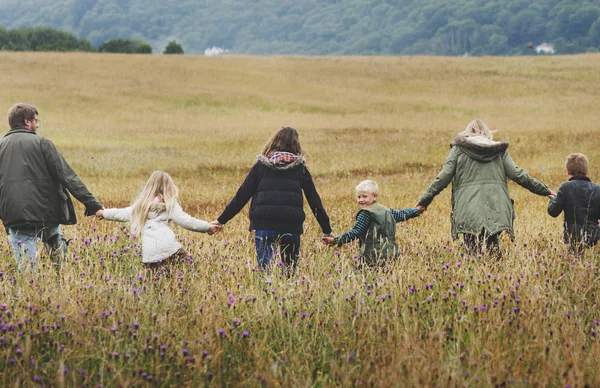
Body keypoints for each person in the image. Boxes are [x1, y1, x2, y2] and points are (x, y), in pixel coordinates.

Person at [417, 119, 555, 257]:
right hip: (495, 206)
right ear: (488, 133)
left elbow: (443, 177)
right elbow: (518, 175)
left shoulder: (458, 149)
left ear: (467, 133)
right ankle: (496, 274)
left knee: (470, 250)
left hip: (468, 207)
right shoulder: (499, 151)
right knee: (493, 247)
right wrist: (545, 190)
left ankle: (474, 276)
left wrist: (424, 201)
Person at [0, 103, 103, 270]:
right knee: (56, 245)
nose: (37, 124)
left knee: (26, 269)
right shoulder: (42, 143)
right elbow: (68, 177)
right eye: (36, 120)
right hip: (46, 213)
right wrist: (93, 204)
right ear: (27, 122)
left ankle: (30, 293)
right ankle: (62, 280)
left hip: (14, 215)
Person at [214, 126, 332, 271]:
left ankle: (266, 293)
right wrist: (327, 229)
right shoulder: (300, 169)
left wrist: (221, 221)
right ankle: (288, 292)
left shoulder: (260, 167)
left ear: (273, 142)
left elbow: (241, 196)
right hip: (291, 226)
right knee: (289, 274)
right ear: (296, 144)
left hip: (264, 225)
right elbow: (315, 201)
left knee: (265, 273)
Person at [96, 171, 220, 271]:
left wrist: (103, 213)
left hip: (150, 254)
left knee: (155, 287)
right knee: (190, 273)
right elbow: (187, 221)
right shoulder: (170, 203)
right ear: (169, 186)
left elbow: (121, 213)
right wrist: (207, 227)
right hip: (170, 248)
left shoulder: (141, 205)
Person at [322, 179, 423, 266]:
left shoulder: (366, 213)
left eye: (364, 197)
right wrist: (416, 211)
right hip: (391, 253)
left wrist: (335, 240)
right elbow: (402, 214)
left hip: (372, 256)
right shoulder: (386, 210)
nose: (361, 200)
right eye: (359, 197)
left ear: (375, 196)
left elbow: (355, 232)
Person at [548, 153, 600, 256]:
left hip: (573, 237)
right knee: (592, 264)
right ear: (586, 171)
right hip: (594, 236)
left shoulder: (565, 187)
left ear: (568, 171)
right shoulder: (597, 189)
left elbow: (553, 212)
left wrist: (553, 200)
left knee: (575, 263)